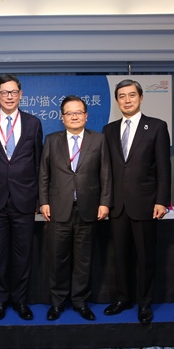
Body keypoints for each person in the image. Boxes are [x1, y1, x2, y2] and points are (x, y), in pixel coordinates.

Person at [101, 79, 171, 324]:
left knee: (145, 257)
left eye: (132, 95)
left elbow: (164, 167)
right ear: (117, 100)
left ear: (141, 98)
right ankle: (123, 298)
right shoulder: (108, 130)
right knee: (120, 256)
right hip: (117, 206)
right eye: (122, 96)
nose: (127, 100)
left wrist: (162, 200)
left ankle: (144, 303)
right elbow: (106, 170)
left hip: (145, 204)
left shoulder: (156, 127)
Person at [39, 95, 112, 321]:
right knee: (57, 258)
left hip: (88, 208)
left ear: (86, 116)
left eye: (78, 112)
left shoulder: (98, 140)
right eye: (69, 113)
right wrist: (43, 202)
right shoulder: (51, 140)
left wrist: (105, 203)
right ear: (62, 118)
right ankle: (58, 302)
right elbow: (43, 173)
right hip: (58, 209)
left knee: (83, 259)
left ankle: (80, 301)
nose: (74, 116)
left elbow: (106, 174)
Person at [0, 74, 43, 321]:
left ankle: (21, 301)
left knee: (22, 254)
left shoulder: (33, 123)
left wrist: (39, 197)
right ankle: (0, 301)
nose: (9, 96)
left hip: (25, 199)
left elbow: (39, 163)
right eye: (4, 92)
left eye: (13, 92)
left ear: (20, 94)